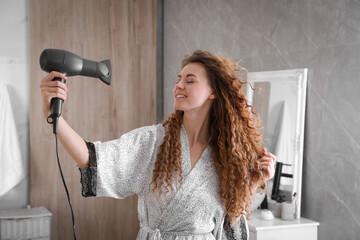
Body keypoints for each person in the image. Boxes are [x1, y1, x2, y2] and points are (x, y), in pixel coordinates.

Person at [40, 50, 276, 240]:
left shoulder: (227, 156)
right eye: (178, 80)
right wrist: (55, 118)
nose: (178, 86)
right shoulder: (154, 142)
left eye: (189, 80)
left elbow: (229, 225)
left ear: (213, 92)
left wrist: (253, 183)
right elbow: (92, 159)